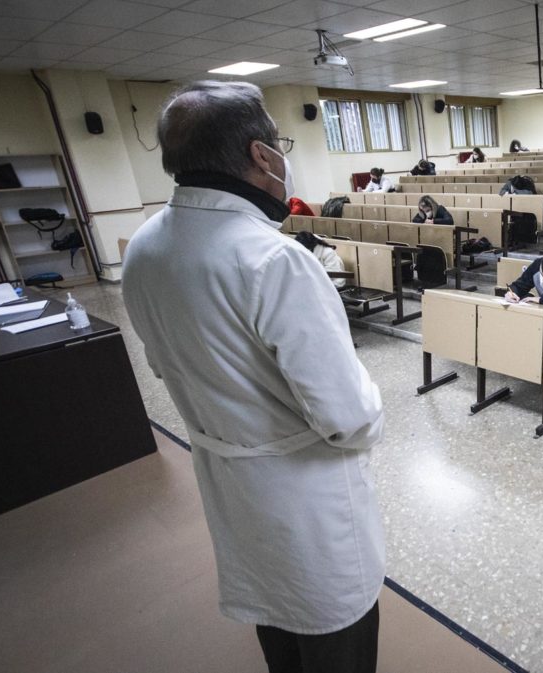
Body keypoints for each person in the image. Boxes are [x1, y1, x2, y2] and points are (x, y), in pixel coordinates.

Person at [121, 81, 384, 673]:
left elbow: (164, 366)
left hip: (229, 482)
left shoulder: (144, 247)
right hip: (307, 498)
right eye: (279, 141)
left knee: (277, 622)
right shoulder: (273, 258)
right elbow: (350, 418)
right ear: (262, 156)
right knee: (330, 631)